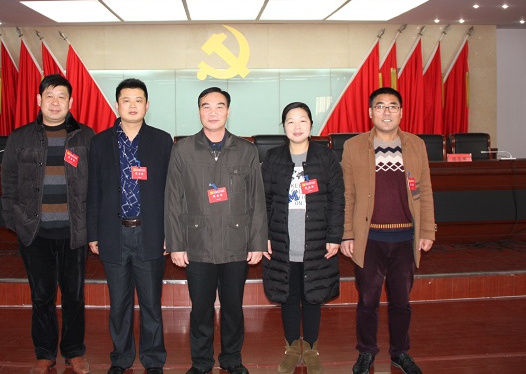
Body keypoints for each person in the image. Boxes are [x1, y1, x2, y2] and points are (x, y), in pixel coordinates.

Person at [165, 86, 268, 374]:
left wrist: (257, 242)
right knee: (201, 308)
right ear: (199, 111)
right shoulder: (182, 149)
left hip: (236, 243)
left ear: (228, 111)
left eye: (219, 106)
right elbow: (173, 200)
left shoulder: (246, 150)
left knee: (233, 307)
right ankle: (201, 362)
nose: (213, 112)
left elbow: (257, 200)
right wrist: (176, 244)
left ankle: (232, 359)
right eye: (206, 106)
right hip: (197, 243)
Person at [1, 74, 94, 374]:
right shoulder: (20, 137)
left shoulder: (85, 137)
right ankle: (45, 353)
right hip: (35, 232)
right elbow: (8, 182)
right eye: (49, 96)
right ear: (39, 100)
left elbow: (96, 184)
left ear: (71, 102)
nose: (55, 102)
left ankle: (74, 351)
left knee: (74, 296)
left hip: (73, 232)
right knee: (41, 296)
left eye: (61, 97)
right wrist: (14, 221)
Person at [340, 87, 436, 374]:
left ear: (401, 112)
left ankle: (400, 352)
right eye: (380, 106)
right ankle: (366, 351)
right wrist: (347, 233)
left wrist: (427, 230)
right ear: (370, 112)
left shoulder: (416, 145)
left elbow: (425, 190)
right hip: (369, 238)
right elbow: (347, 194)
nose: (386, 112)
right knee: (367, 300)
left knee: (401, 301)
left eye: (392, 106)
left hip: (405, 237)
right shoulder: (354, 146)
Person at [87, 78, 172, 374]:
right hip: (114, 233)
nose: (132, 106)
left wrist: (169, 234)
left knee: (151, 304)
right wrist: (93, 233)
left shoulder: (162, 141)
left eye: (138, 100)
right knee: (119, 304)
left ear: (147, 105)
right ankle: (121, 359)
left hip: (150, 233)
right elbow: (93, 190)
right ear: (117, 105)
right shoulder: (100, 142)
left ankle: (153, 359)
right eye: (126, 100)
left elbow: (171, 192)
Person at [261, 102, 344, 374]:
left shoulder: (326, 158)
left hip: (317, 240)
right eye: (290, 121)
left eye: (302, 121)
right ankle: (290, 349)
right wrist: (264, 236)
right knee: (288, 296)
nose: (297, 126)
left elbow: (337, 199)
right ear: (283, 126)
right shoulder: (273, 158)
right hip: (282, 241)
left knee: (312, 296)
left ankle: (310, 349)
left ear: (311, 125)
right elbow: (264, 200)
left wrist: (334, 236)